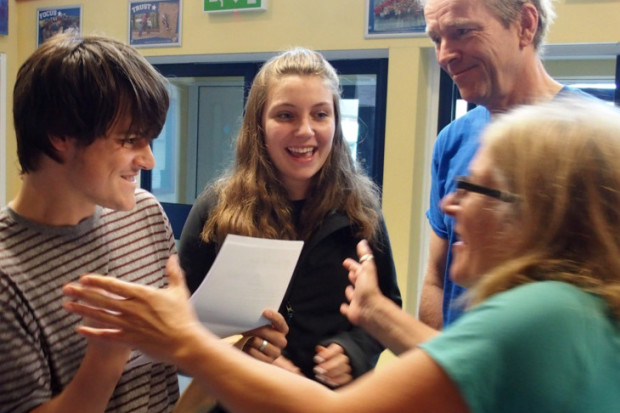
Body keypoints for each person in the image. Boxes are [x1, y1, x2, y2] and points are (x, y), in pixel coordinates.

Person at [63, 97, 620, 412]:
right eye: (284, 115)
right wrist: (376, 317)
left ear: (537, 209)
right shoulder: (578, 310)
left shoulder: (540, 316)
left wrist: (185, 339)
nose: (449, 207)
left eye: (475, 188)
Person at [177, 47, 401, 391]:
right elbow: (181, 326)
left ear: (336, 123)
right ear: (258, 125)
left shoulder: (362, 210)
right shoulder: (216, 210)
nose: (305, 131)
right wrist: (241, 351)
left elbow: (386, 309)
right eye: (286, 115)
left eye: (320, 114)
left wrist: (354, 351)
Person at [0, 33, 175, 413]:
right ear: (60, 134)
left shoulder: (143, 215)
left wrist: (238, 349)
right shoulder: (5, 274)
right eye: (130, 140)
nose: (148, 160)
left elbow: (165, 376)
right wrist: (108, 355)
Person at [418, 0, 593, 329]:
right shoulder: (452, 140)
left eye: (461, 32)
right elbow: (437, 281)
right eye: (437, 39)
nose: (444, 55)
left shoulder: (594, 139)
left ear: (525, 25)